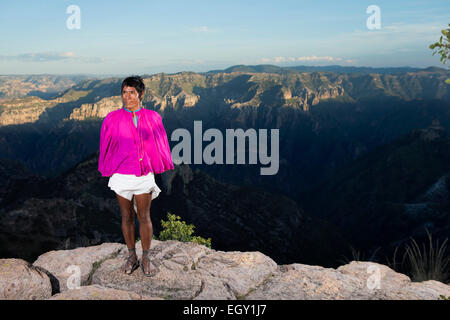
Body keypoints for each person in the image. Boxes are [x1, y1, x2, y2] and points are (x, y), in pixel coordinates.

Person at [98, 75, 174, 276]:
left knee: (144, 216)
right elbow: (106, 146)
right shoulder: (112, 118)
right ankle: (132, 257)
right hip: (122, 175)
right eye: (124, 92)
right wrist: (107, 167)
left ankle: (146, 258)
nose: (127, 96)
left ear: (141, 94)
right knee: (126, 216)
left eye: (132, 92)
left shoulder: (153, 117)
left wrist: (158, 164)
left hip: (143, 175)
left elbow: (160, 143)